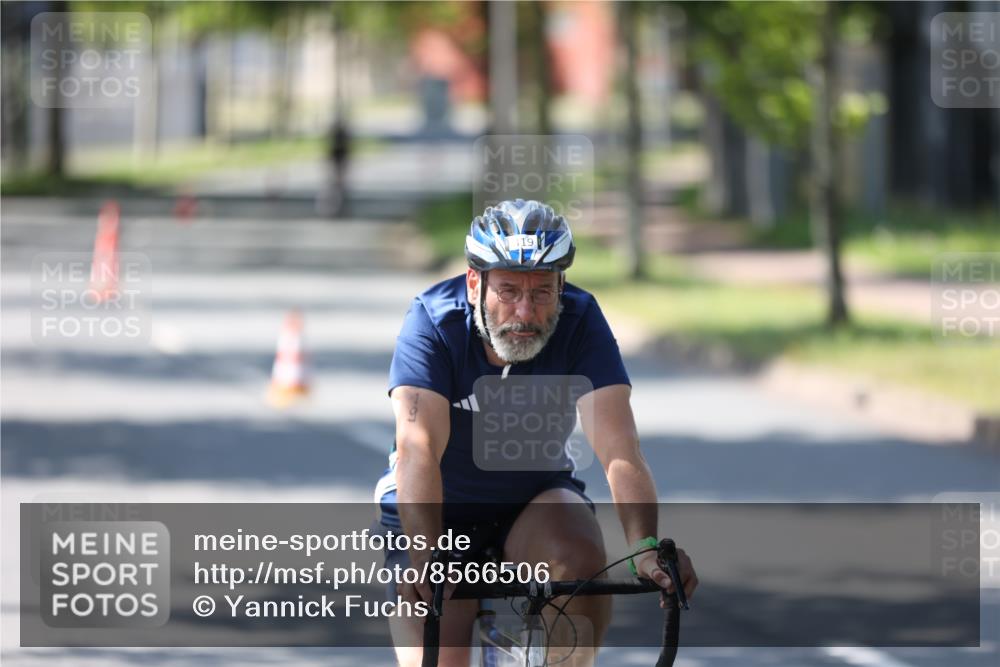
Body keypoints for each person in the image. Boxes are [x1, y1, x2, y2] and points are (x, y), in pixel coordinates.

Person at [374, 199, 697, 666]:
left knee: (581, 559)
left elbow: (618, 446)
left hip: (535, 499)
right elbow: (418, 448)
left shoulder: (580, 320)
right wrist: (424, 556)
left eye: (542, 292)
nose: (525, 312)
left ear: (561, 287)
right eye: (507, 291)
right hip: (439, 511)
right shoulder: (432, 322)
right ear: (473, 283)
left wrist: (644, 546)